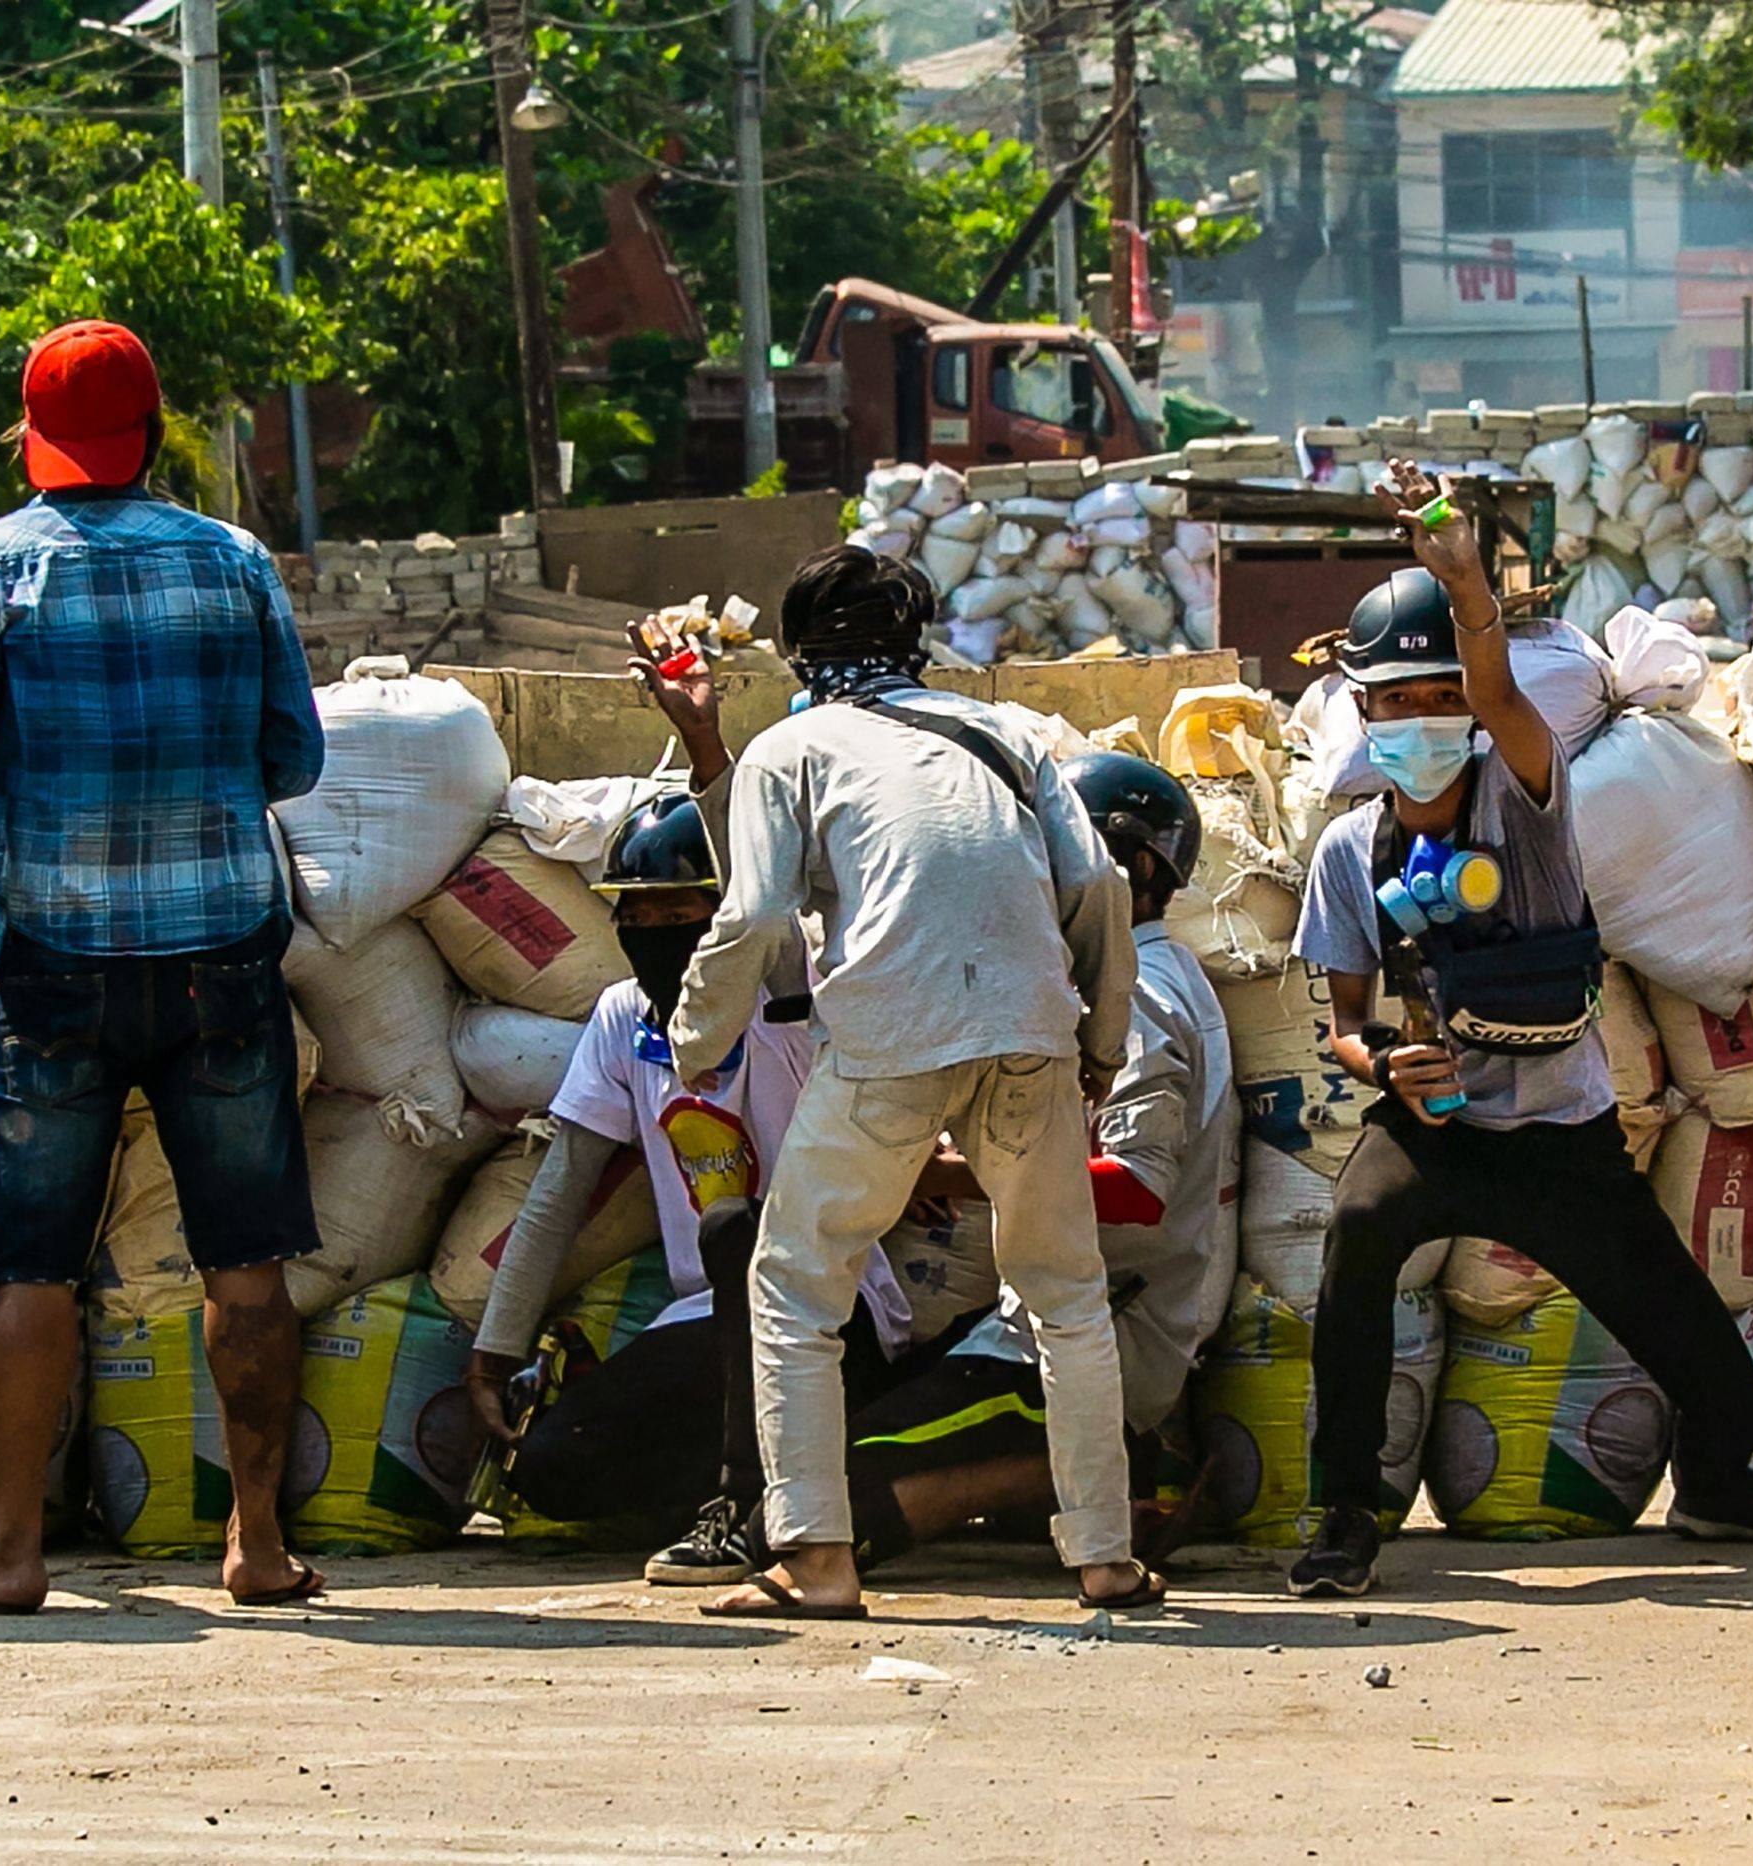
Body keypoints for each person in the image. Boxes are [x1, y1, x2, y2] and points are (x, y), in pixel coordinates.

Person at [1284, 460, 1753, 1601]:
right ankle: (1344, 1509)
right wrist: (1379, 1061)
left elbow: (1500, 693)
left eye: (1438, 699)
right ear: (1361, 715)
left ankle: (1721, 1482)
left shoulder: (1524, 801)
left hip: (1565, 1132)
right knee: (1352, 1254)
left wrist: (1465, 584)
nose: (1421, 721)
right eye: (1394, 705)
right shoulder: (1348, 853)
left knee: (1718, 1379)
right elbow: (1341, 1022)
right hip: (1433, 1128)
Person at [0, 320, 327, 1613]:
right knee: (245, 1265)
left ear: (39, 441)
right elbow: (294, 760)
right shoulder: (235, 560)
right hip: (221, 963)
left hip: (52, 963)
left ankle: (12, 1551)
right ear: (151, 438)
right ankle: (255, 1541)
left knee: (30, 1265)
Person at [669, 546, 1154, 1619]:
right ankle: (1105, 1558)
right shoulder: (1011, 734)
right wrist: (1100, 1042)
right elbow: (1095, 885)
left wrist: (696, 1040)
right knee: (1066, 1298)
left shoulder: (790, 746)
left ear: (799, 654)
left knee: (795, 1287)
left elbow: (752, 915)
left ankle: (817, 1558)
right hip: (1031, 1032)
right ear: (914, 642)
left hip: (890, 1041)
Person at [464, 635, 923, 1586]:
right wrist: (495, 1346)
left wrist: (708, 745)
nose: (662, 940)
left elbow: (763, 895)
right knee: (550, 1469)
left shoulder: (785, 993)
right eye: (642, 919)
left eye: (687, 921)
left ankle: (740, 1501)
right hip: (710, 1325)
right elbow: (560, 1190)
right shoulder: (623, 1017)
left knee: (737, 1228)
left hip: (835, 1312)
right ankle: (785, 1484)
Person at [846, 753, 1240, 1573]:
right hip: (1037, 1327)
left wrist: (954, 1176)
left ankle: (1091, 1474)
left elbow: (1136, 1188)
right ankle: (1065, 1491)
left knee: (834, 1495)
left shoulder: (1143, 998)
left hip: (1084, 1347)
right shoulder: (1106, 978)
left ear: (1131, 870)